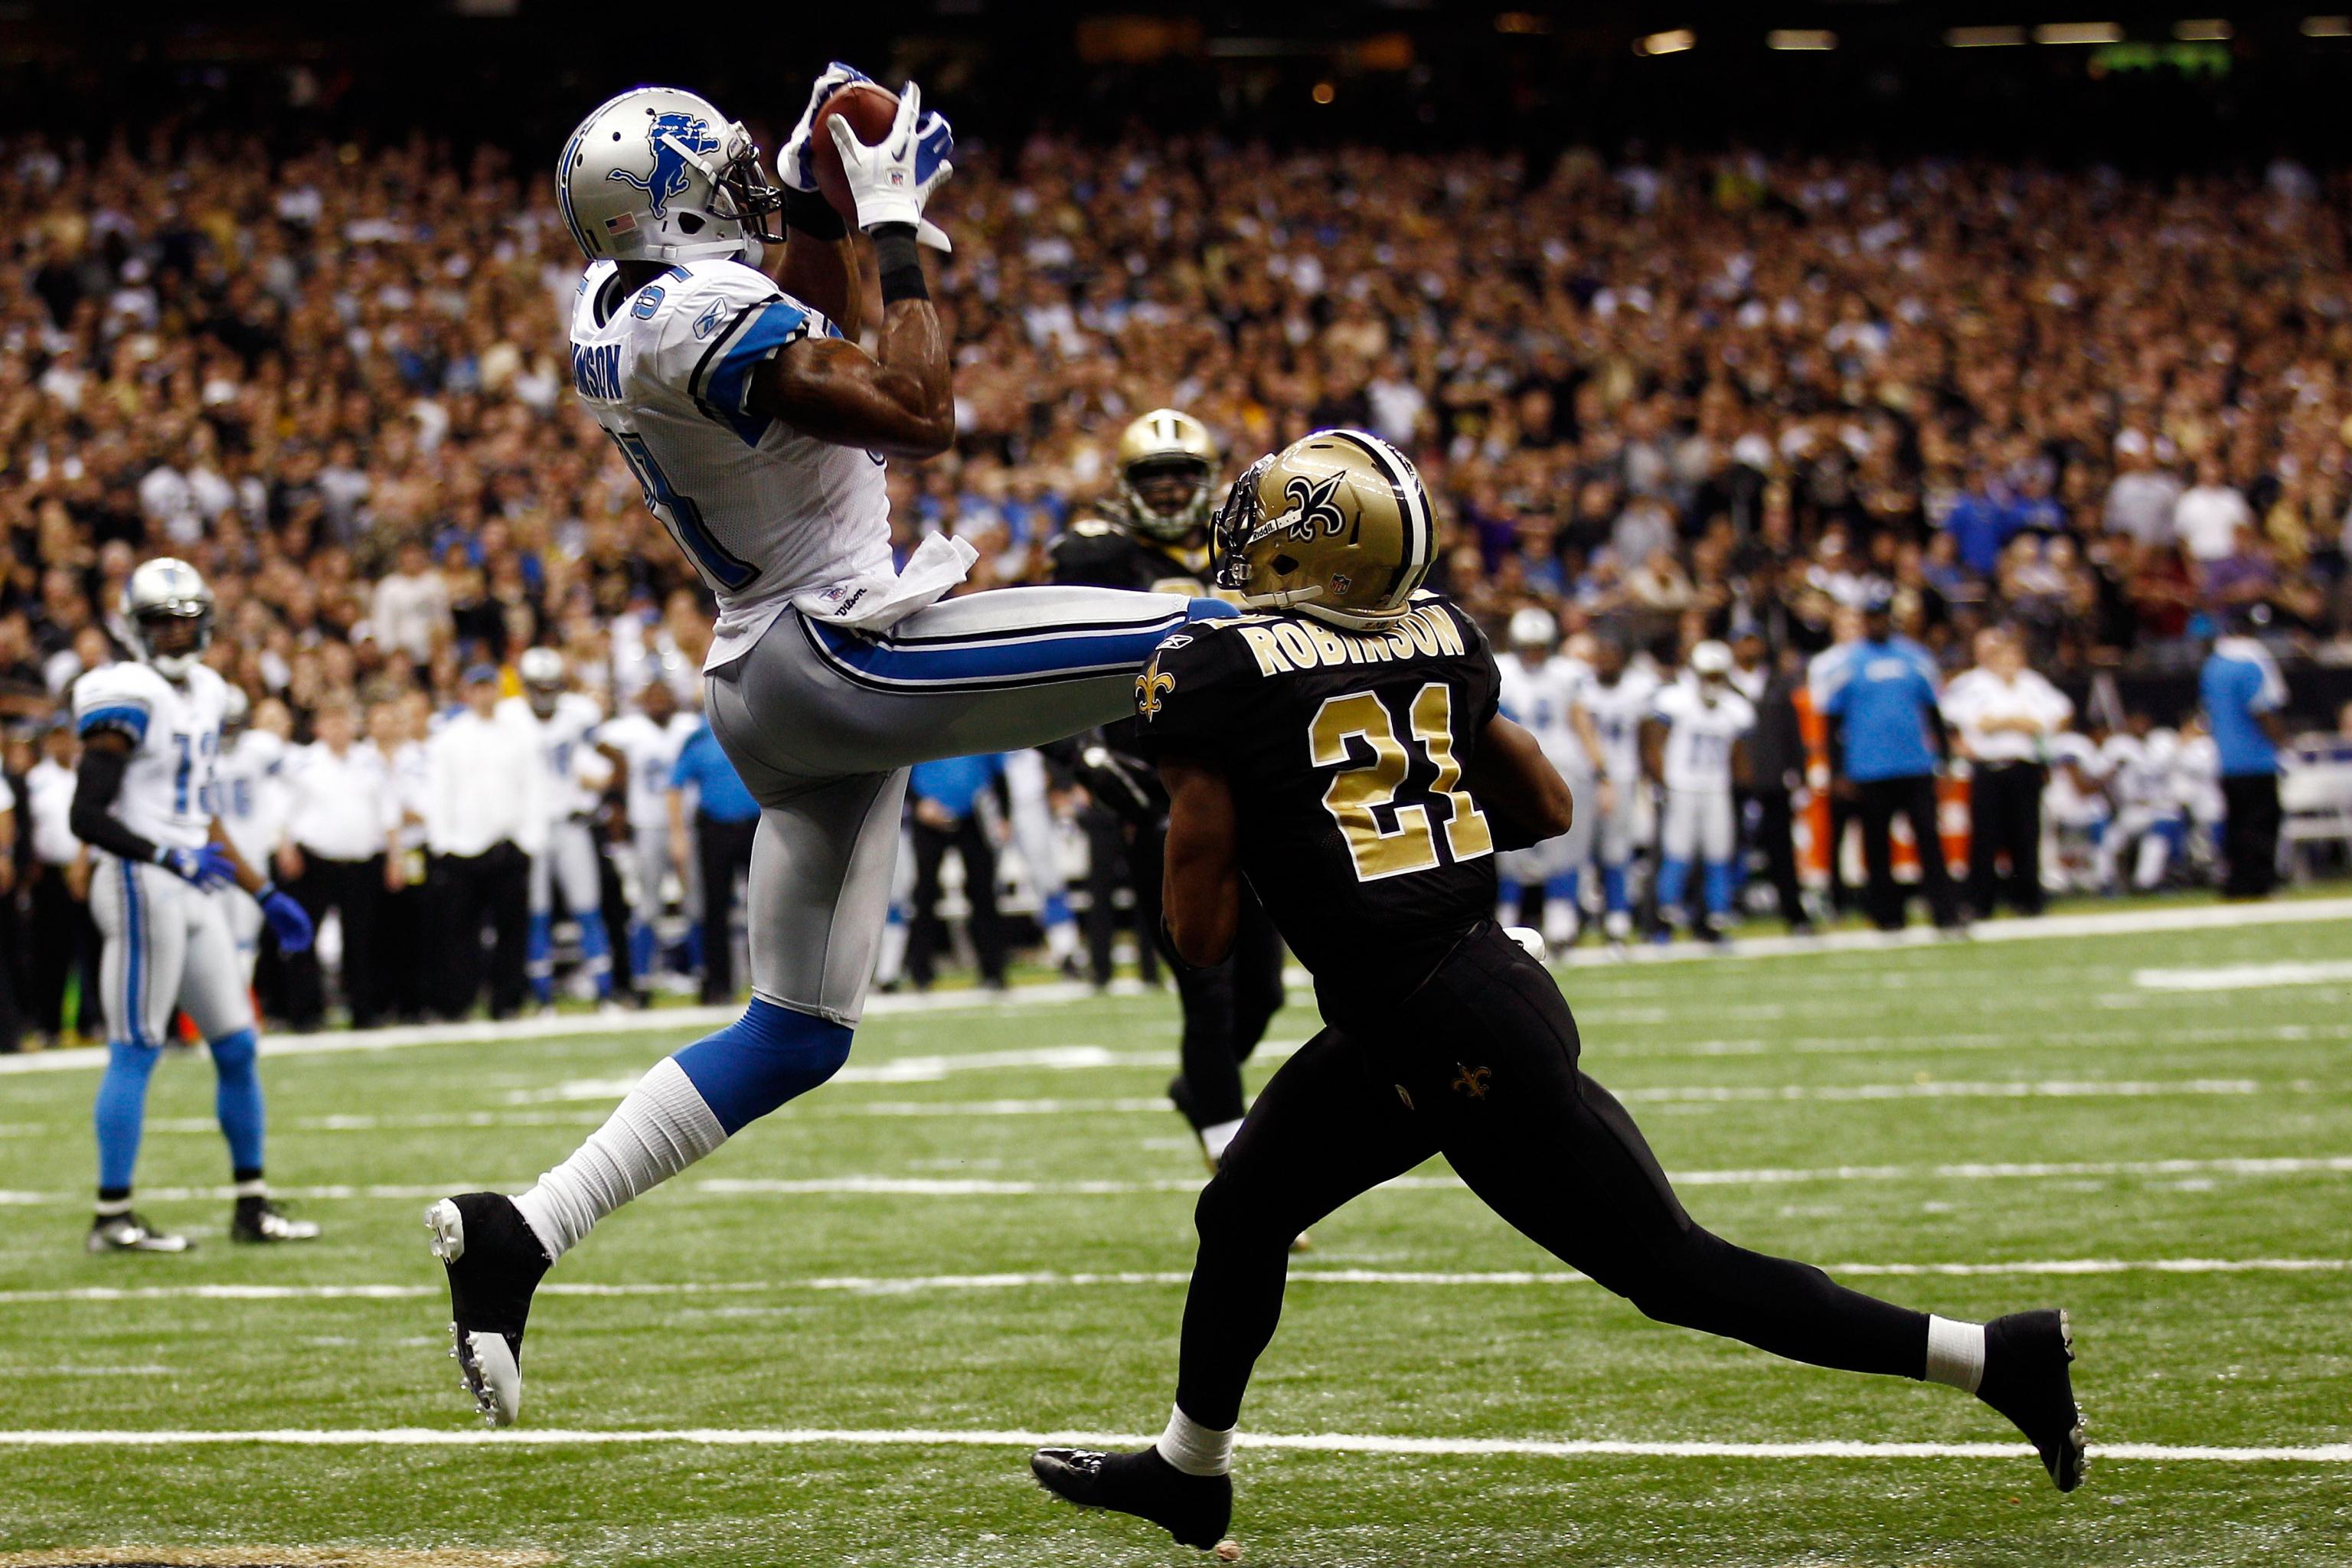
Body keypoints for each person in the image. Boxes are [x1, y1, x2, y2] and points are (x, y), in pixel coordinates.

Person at [1025, 431, 2084, 1551]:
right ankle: (1191, 1472)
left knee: (1673, 1270)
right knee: (1244, 1207)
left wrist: (1253, 814)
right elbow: (1545, 807)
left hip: (1443, 1024)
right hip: (1452, 990)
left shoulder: (1216, 673)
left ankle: (1995, 1358)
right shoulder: (1441, 635)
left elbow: (1200, 937)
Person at [428, 70, 1238, 1427]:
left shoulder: (624, 298)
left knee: (798, 1033)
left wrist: (814, 193)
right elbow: (917, 405)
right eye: (728, 174)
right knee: (1216, 634)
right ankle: (1433, 916)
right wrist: (900, 219)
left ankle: (523, 1226)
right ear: (675, 207)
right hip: (838, 653)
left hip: (772, 675)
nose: (748, 182)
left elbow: (801, 322)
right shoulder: (694, 314)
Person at [1047, 407, 1284, 1161]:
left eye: (1186, 472)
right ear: (1128, 486)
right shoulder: (1101, 555)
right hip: (1158, 789)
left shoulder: (1243, 550)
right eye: (1158, 475)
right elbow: (1041, 665)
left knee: (1264, 991)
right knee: (1204, 984)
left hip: (1247, 784)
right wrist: (1081, 754)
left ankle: (1199, 1089)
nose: (1175, 487)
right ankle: (1229, 1145)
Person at [66, 559, 318, 1252]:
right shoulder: (123, 692)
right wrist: (164, 856)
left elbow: (199, 812)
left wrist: (262, 891)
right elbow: (85, 816)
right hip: (137, 880)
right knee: (138, 1045)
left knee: (236, 1044)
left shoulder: (208, 691)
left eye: (185, 623)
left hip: (195, 878)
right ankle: (112, 1217)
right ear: (136, 629)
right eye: (161, 625)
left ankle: (250, 1205)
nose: (176, 637)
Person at [1823, 589, 1962, 933]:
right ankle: (1887, 915)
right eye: (1871, 617)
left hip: (1915, 764)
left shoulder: (1916, 658)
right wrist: (1838, 770)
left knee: (1929, 840)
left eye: (1882, 616)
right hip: (1868, 767)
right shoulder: (1847, 663)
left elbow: (1933, 711)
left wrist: (1944, 758)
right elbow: (1832, 721)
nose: (1877, 623)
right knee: (1876, 846)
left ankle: (1944, 912)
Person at [274, 697, 399, 1029]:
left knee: (362, 940)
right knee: (305, 936)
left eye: (343, 721)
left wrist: (394, 857)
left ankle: (364, 1010)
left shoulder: (370, 761)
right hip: (315, 859)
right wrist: (285, 847)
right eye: (330, 722)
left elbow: (388, 811)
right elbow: (283, 810)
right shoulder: (302, 763)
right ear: (318, 728)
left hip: (361, 861)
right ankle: (306, 1012)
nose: (337, 729)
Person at [506, 648, 617, 1011]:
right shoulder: (510, 719)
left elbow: (602, 763)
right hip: (532, 829)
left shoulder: (577, 715)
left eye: (550, 685)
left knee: (587, 907)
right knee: (535, 913)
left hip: (571, 823)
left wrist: (597, 779)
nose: (544, 693)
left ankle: (604, 993)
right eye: (537, 686)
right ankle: (543, 1000)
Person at [423, 667, 536, 1020]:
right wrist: (442, 843)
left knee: (511, 930)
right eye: (477, 689)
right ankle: (459, 1001)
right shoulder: (448, 738)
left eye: (489, 688)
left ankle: (507, 1000)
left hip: (507, 843)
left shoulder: (519, 735)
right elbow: (439, 792)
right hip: (462, 848)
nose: (484, 695)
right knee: (459, 932)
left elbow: (533, 788)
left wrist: (530, 840)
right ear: (467, 693)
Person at [1494, 607, 1606, 949]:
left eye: (1539, 645)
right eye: (1527, 645)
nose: (1533, 653)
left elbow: (1581, 721)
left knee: (1565, 847)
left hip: (1561, 766)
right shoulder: (1502, 670)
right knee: (1509, 852)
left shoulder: (1567, 674)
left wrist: (1601, 771)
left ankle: (1562, 921)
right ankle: (1506, 919)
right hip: (1513, 769)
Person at [1941, 629, 2073, 918]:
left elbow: (2059, 712)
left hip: (2025, 765)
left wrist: (2020, 724)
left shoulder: (2032, 683)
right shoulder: (1972, 684)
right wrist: (2015, 722)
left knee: (2026, 835)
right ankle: (1980, 902)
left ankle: (2028, 900)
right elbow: (1970, 721)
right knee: (1986, 837)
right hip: (1989, 766)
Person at [595, 674, 701, 1001]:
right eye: (652, 697)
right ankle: (642, 978)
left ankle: (701, 974)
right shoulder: (631, 730)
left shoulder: (688, 726)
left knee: (696, 903)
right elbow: (597, 739)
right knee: (648, 906)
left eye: (664, 696)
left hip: (686, 825)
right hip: (647, 827)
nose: (659, 702)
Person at [1642, 640, 1755, 943]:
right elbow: (1654, 744)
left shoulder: (1735, 708)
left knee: (1718, 853)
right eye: (1707, 675)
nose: (1712, 682)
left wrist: (1746, 790)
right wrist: (1661, 780)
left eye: (1717, 675)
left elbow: (1740, 759)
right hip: (1681, 787)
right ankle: (1664, 918)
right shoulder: (1675, 701)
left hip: (1716, 789)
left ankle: (1717, 917)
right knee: (1677, 852)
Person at [1575, 632, 1658, 949]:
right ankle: (1574, 920)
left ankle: (1618, 920)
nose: (1606, 660)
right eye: (1602, 653)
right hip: (1584, 778)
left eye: (1612, 653)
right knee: (1577, 850)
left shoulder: (1638, 689)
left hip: (1623, 777)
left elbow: (1646, 738)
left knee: (1616, 852)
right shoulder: (1581, 686)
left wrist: (1648, 778)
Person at [21, 720, 102, 1047]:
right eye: (56, 740)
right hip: (51, 874)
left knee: (95, 949)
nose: (62, 745)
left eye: (67, 739)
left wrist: (82, 866)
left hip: (91, 869)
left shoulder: (90, 775)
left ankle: (92, 1020)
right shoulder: (35, 780)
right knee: (52, 951)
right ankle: (50, 1024)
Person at [670, 713, 759, 1004]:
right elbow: (675, 785)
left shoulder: (756, 724)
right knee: (715, 908)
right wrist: (678, 834)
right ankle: (718, 984)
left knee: (766, 908)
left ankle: (772, 985)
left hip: (757, 824)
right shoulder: (699, 736)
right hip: (716, 828)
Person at [903, 753, 1008, 991]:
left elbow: (998, 771)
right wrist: (917, 802)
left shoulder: (977, 725)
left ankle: (993, 970)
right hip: (929, 815)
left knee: (983, 893)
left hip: (974, 815)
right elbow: (902, 769)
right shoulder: (923, 724)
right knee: (925, 894)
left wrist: (1005, 814)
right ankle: (920, 972)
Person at [2200, 626, 2288, 897]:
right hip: (2255, 759)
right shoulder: (2248, 664)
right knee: (2261, 822)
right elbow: (2260, 709)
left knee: (2236, 823)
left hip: (2227, 760)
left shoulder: (2213, 666)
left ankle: (2235, 880)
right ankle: (2258, 882)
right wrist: (2282, 741)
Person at [211, 689, 289, 985]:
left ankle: (241, 997)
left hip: (252, 851)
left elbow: (281, 793)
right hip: (214, 853)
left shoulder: (261, 748)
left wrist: (278, 836)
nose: (228, 731)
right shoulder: (201, 748)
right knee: (216, 933)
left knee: (247, 933)